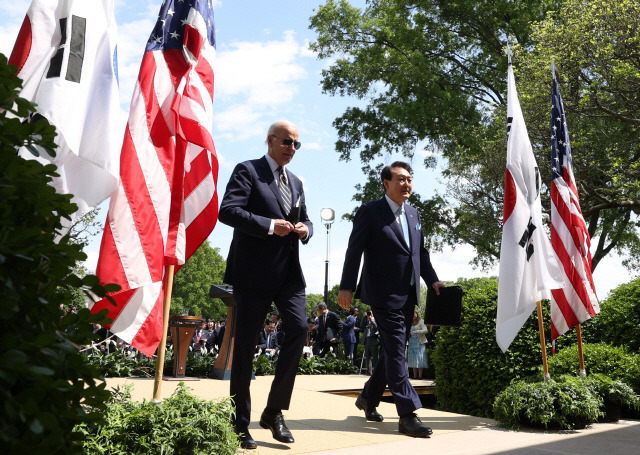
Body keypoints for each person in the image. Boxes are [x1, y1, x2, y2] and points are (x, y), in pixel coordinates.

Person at [218, 120, 313, 450]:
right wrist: (270, 225)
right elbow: (228, 211)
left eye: (296, 145)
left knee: (299, 329)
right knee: (244, 349)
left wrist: (306, 229)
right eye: (287, 142)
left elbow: (307, 218)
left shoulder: (297, 182)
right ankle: (240, 424)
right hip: (253, 275)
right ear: (271, 140)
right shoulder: (247, 171)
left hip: (288, 276)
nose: (292, 148)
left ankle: (273, 412)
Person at [338, 161, 445, 438]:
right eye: (400, 179)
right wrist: (346, 286)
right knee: (398, 351)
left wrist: (432, 279)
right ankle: (408, 414)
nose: (406, 184)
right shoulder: (370, 211)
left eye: (409, 179)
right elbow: (354, 250)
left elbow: (421, 254)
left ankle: (367, 397)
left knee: (392, 352)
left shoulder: (414, 213)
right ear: (386, 183)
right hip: (383, 295)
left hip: (409, 294)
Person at [407, 310, 429, 380]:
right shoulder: (409, 322)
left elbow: (426, 330)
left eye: (414, 314)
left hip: (419, 342)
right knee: (413, 359)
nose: (413, 315)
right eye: (412, 314)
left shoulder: (421, 321)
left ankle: (420, 376)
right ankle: (415, 375)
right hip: (412, 342)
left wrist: (416, 332)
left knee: (419, 359)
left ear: (417, 314)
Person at [362, 309, 380, 375]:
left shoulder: (375, 319)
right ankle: (369, 372)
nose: (369, 314)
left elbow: (377, 327)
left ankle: (377, 372)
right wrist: (364, 317)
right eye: (368, 313)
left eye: (370, 313)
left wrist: (371, 320)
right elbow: (361, 325)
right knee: (368, 356)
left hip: (374, 340)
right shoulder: (366, 320)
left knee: (375, 357)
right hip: (367, 340)